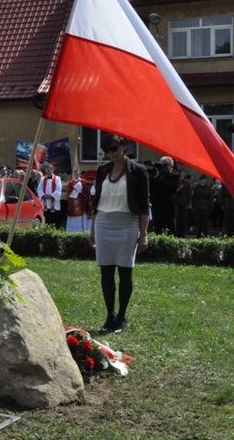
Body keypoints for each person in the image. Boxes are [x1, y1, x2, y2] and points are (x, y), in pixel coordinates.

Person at [89, 135, 150, 333]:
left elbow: (143, 205)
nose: (111, 153)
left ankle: (122, 316)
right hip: (104, 223)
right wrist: (92, 230)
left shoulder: (138, 171)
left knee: (125, 272)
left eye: (114, 148)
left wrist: (143, 234)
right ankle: (110, 315)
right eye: (107, 149)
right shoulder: (103, 170)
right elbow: (96, 202)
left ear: (124, 147)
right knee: (105, 272)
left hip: (127, 224)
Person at [149, 156, 179, 235]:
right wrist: (154, 175)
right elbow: (151, 189)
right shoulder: (157, 177)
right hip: (157, 206)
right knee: (158, 229)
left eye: (165, 165)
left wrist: (161, 177)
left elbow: (170, 190)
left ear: (170, 166)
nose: (163, 167)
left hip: (168, 207)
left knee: (169, 229)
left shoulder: (174, 176)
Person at [173, 170, 192, 238]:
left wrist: (189, 203)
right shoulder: (176, 182)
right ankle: (178, 233)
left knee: (184, 219)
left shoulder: (187, 183)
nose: (181, 175)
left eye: (182, 174)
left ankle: (183, 233)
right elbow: (174, 191)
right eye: (180, 174)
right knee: (177, 219)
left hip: (184, 202)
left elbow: (189, 194)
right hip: (177, 202)